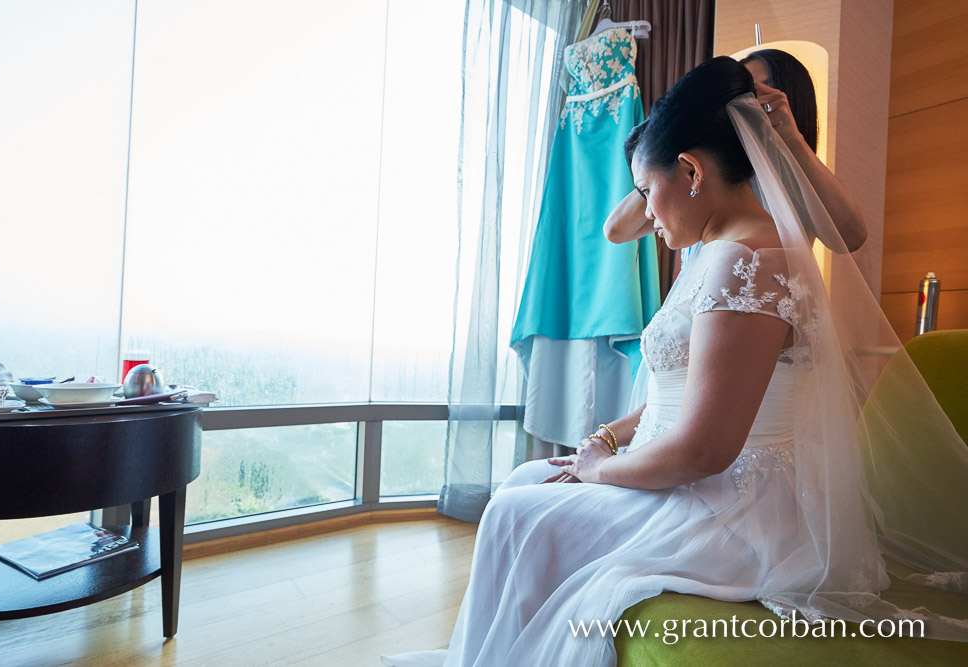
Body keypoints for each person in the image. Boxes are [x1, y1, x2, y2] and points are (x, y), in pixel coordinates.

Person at [383, 57, 968, 667]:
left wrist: (600, 471)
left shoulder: (745, 262)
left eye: (645, 190)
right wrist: (605, 442)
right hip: (696, 472)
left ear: (690, 169)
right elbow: (679, 390)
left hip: (736, 506)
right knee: (525, 483)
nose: (647, 213)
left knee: (516, 508)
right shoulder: (721, 250)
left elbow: (707, 449)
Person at [604, 48, 866, 256]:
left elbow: (851, 238)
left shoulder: (799, 177)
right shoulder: (709, 176)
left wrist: (792, 139)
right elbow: (615, 230)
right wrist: (668, 152)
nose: (745, 106)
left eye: (755, 94)